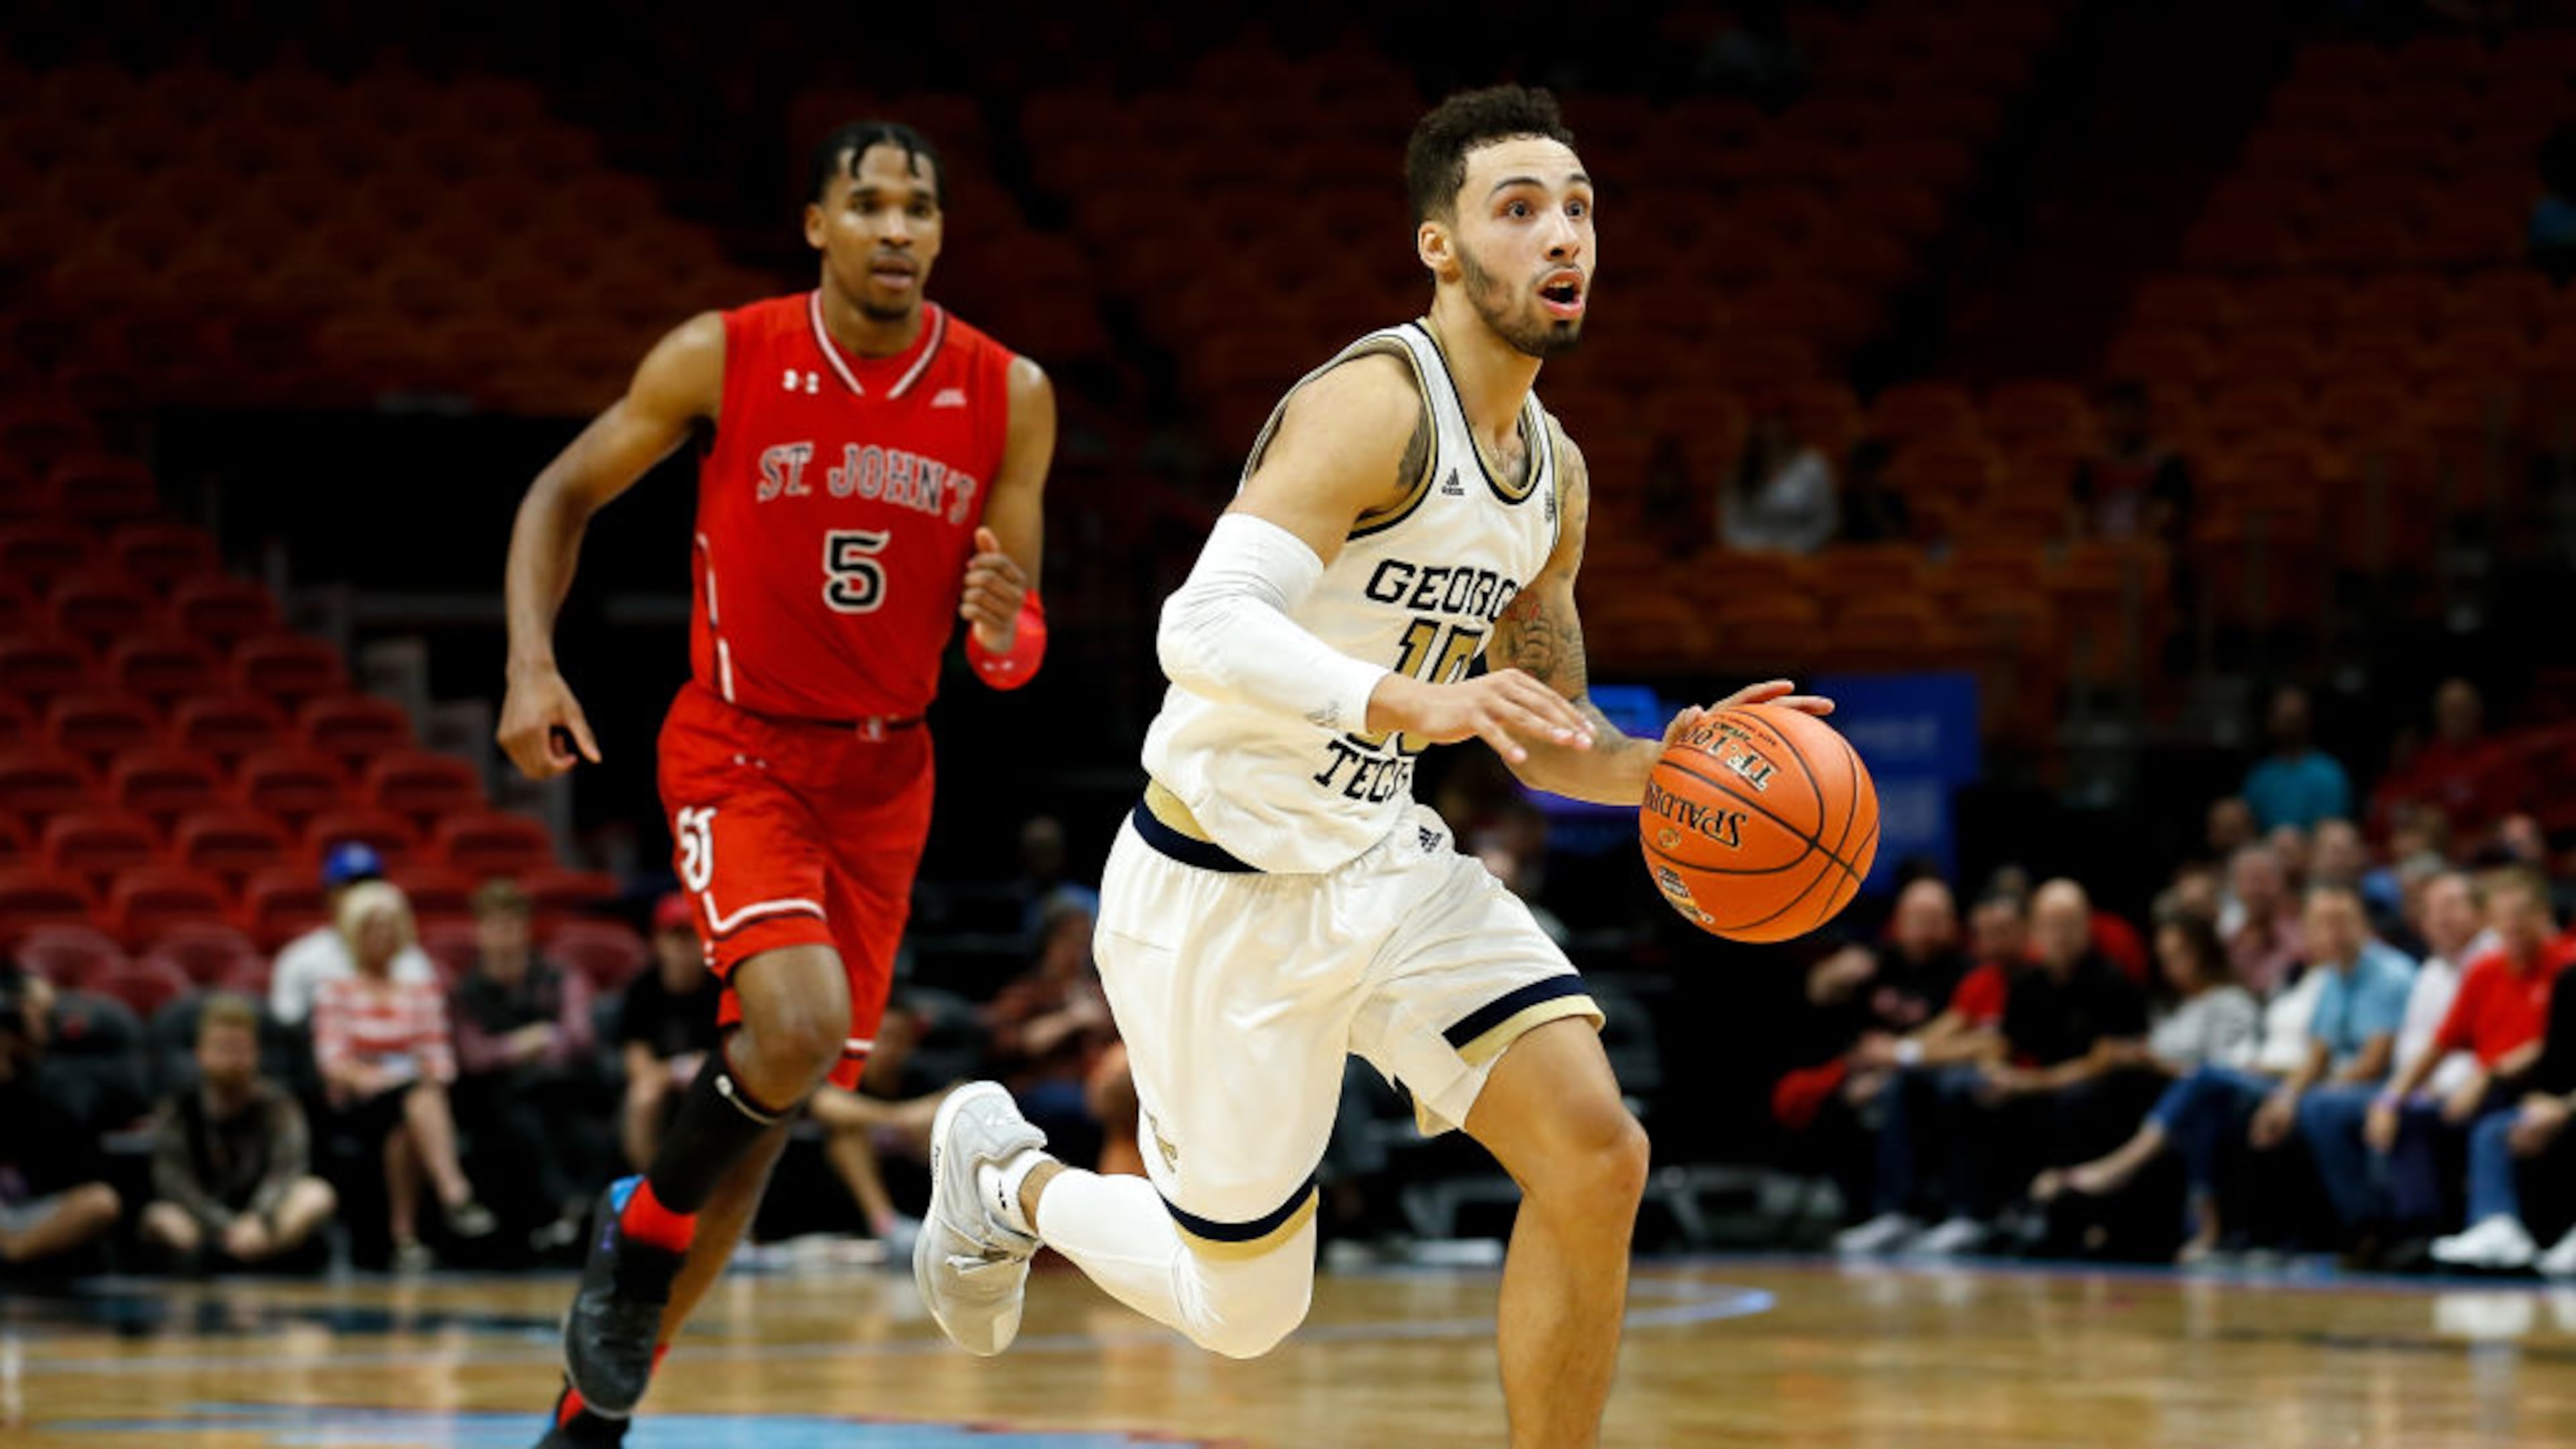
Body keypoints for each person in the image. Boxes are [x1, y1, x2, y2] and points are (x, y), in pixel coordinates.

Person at [910, 87, 1825, 1448]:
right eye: (1518, 209)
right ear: (1441, 246)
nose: (1560, 235)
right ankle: (1009, 1183)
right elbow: (1200, 627)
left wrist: (1679, 767)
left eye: (1577, 208)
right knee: (1244, 1312)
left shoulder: (1554, 477)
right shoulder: (1375, 407)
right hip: (1219, 889)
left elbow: (1546, 736)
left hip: (1385, 869)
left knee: (1598, 1153)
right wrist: (1405, 698)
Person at [496, 118, 1055, 1444]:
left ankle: (594, 1410)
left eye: (918, 208)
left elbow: (1016, 640)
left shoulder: (1006, 391)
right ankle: (637, 1229)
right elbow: (559, 496)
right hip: (741, 744)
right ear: (818, 225)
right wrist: (530, 663)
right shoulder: (725, 353)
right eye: (868, 205)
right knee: (793, 1031)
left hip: (887, 775)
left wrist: (998, 626)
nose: (897, 230)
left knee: (771, 1103)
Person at [2043, 892, 2398, 1261]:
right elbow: (2319, 1053)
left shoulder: (2375, 974)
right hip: (2276, 1078)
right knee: (2191, 1096)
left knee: (2205, 1079)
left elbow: (2349, 1063)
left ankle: (2127, 1168)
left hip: (2304, 1082)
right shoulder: (2323, 980)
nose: (2330, 935)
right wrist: (2286, 1094)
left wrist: (2287, 1091)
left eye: (2339, 922)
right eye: (2320, 926)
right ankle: (2193, 1224)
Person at [2316, 869, 2573, 1256]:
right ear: (2491, 921)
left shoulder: (2566, 967)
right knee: (2411, 1118)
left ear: (2543, 915)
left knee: (2491, 1128)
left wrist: (2487, 1075)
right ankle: (2419, 1233)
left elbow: (2551, 1043)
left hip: (2534, 1087)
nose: (2513, 924)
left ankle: (2496, 1225)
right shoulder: (2485, 970)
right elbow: (2439, 1046)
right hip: (2485, 1090)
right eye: (2503, 916)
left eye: (2522, 913)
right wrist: (2389, 1101)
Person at [312, 881, 496, 1271]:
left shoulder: (420, 990)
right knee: (413, 1098)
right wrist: (386, 1078)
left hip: (410, 1104)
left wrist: (415, 1076)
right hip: (357, 1103)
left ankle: (404, 1238)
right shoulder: (336, 990)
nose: (381, 935)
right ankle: (455, 1192)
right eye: (371, 927)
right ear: (353, 932)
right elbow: (334, 1063)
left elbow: (440, 1060)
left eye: (388, 926)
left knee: (407, 1121)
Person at [449, 879, 600, 1255]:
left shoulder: (558, 976)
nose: (504, 935)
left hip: (560, 1090)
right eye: (495, 925)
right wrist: (522, 1045)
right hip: (497, 1100)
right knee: (519, 1121)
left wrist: (536, 1046)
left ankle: (583, 1216)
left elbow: (580, 1037)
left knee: (585, 1120)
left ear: (526, 928)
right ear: (479, 931)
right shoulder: (466, 992)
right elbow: (472, 1056)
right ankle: (567, 1208)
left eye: (512, 925)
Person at [140, 993, 338, 1272]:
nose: (232, 1059)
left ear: (256, 1052)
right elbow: (174, 1183)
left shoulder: (278, 1104)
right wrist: (227, 1225)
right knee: (161, 1218)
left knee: (316, 1194)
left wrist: (257, 1217)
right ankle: (227, 1256)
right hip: (204, 1220)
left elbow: (287, 1170)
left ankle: (254, 1254)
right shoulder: (179, 1109)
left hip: (265, 1221)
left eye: (240, 1049)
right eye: (222, 1048)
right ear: (201, 1053)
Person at [0, 975, 121, 1277]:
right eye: (35, 1015)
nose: (44, 1027)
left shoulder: (55, 1085)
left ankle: (11, 1254)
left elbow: (87, 1188)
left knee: (99, 1202)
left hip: (30, 1219)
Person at [270, 842, 439, 1027]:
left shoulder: (410, 958)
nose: (360, 893)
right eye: (349, 885)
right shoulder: (301, 958)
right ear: (328, 895)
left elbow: (431, 1024)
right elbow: (287, 1024)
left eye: (370, 884)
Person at [614, 894, 725, 1175]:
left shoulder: (722, 989)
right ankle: (649, 1187)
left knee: (716, 1094)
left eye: (691, 937)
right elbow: (636, 1063)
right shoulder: (642, 989)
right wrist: (675, 1072)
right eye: (675, 938)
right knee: (644, 1095)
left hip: (714, 1081)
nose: (683, 949)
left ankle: (712, 1192)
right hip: (660, 1079)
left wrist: (704, 1070)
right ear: (658, 942)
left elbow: (735, 1053)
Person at [2071, 380, 2191, 545]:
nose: (2123, 421)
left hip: (2148, 557)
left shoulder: (2169, 466)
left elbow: (2164, 518)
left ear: (2143, 416)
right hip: (2099, 556)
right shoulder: (2090, 466)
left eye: (2130, 413)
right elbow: (2075, 518)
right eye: (2116, 412)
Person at [1719, 409, 1837, 554]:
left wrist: (1793, 550)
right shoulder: (1741, 468)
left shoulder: (1811, 465)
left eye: (1775, 424)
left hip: (1802, 555)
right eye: (1764, 425)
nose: (1770, 431)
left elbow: (1825, 521)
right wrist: (1755, 553)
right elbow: (1731, 525)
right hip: (1750, 558)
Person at [2242, 686, 2353, 833]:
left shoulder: (2328, 774)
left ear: (2307, 722)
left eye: (2295, 719)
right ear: (2271, 722)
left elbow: (2331, 829)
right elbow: (2247, 826)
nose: (2290, 727)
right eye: (2285, 719)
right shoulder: (2260, 776)